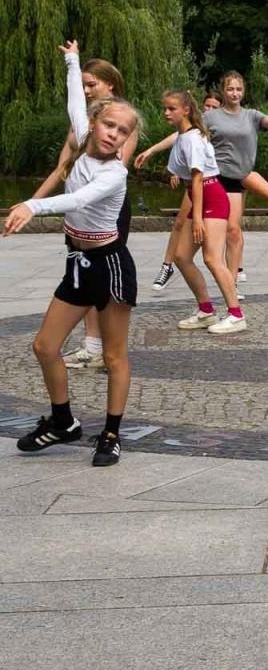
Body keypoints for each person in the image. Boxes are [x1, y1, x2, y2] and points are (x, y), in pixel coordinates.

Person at [5, 42, 141, 467]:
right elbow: (72, 101)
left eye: (122, 131)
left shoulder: (114, 173)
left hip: (111, 266)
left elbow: (77, 200)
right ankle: (63, 422)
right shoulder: (83, 136)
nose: (113, 135)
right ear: (95, 121)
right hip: (78, 264)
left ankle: (112, 433)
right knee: (45, 346)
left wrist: (32, 205)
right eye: (109, 126)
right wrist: (71, 61)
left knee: (113, 355)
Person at [137, 72, 268, 292]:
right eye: (230, 89)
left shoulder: (251, 115)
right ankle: (182, 268)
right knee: (205, 225)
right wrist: (152, 150)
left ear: (244, 91)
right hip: (215, 177)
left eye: (239, 89)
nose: (235, 93)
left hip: (241, 174)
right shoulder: (212, 117)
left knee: (264, 201)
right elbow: (183, 134)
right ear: (224, 91)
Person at [33, 47, 137, 370]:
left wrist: (35, 206)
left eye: (92, 84)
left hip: (103, 204)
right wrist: (29, 203)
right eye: (84, 85)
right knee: (82, 272)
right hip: (77, 212)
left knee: (101, 277)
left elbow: (115, 170)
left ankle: (104, 350)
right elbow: (63, 166)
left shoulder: (120, 123)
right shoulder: (86, 125)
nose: (87, 90)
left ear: (111, 87)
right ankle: (92, 344)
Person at [160, 89, 248, 335]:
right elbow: (190, 178)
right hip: (199, 195)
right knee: (181, 256)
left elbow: (198, 178)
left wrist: (197, 218)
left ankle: (236, 314)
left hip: (211, 197)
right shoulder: (183, 136)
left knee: (212, 258)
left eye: (171, 108)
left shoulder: (194, 138)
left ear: (186, 110)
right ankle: (206, 310)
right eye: (164, 108)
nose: (166, 113)